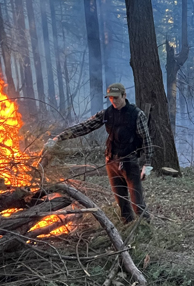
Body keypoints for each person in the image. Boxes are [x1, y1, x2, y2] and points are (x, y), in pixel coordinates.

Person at [44, 83, 153, 223]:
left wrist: (147, 164)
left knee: (137, 203)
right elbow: (85, 127)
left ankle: (146, 230)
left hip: (129, 162)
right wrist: (59, 137)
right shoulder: (107, 113)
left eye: (116, 98)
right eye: (110, 98)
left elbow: (147, 140)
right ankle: (128, 229)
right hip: (111, 162)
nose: (113, 101)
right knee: (122, 204)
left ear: (124, 96)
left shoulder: (137, 114)